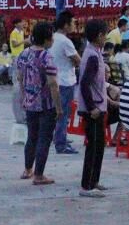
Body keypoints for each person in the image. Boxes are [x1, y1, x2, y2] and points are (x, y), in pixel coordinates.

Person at [18, 22, 62, 185]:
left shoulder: (24, 54)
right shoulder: (47, 57)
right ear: (46, 39)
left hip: (30, 102)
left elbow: (20, 78)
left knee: (32, 137)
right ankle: (39, 174)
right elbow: (53, 84)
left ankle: (28, 169)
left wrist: (24, 96)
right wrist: (59, 107)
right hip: (46, 104)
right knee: (44, 139)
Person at [76, 19, 111, 197]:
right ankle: (87, 186)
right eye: (105, 34)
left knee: (99, 145)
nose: (106, 38)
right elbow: (84, 84)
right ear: (99, 36)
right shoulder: (91, 56)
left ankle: (94, 180)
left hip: (98, 105)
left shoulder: (95, 53)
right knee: (94, 146)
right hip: (93, 109)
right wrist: (91, 108)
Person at [51, 11, 81, 155]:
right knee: (63, 113)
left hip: (55, 79)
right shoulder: (65, 41)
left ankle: (59, 136)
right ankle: (61, 143)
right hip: (65, 80)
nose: (74, 25)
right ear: (65, 25)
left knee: (58, 112)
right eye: (72, 23)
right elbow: (78, 60)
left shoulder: (52, 38)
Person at [8, 19, 27, 125]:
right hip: (16, 56)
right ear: (16, 24)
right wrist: (24, 41)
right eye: (20, 22)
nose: (22, 24)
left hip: (22, 55)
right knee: (17, 76)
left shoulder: (21, 32)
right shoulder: (14, 33)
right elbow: (14, 44)